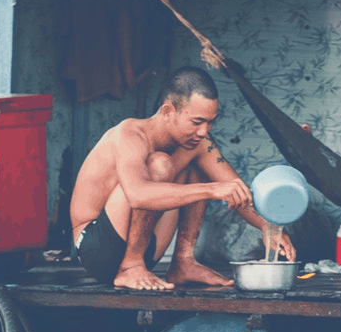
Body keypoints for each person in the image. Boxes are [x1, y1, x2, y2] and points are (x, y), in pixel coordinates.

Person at [70, 66, 296, 291]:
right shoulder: (129, 135)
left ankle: (183, 262)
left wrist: (267, 227)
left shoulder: (197, 143)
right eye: (197, 122)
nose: (204, 131)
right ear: (168, 111)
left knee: (197, 162)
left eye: (210, 122)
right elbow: (138, 196)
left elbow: (235, 189)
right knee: (160, 165)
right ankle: (131, 265)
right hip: (96, 249)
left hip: (146, 249)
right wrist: (210, 190)